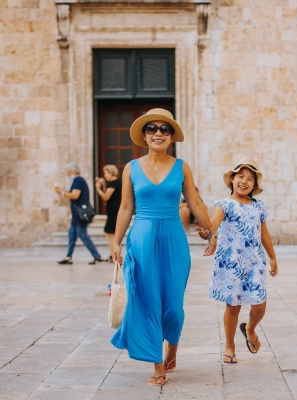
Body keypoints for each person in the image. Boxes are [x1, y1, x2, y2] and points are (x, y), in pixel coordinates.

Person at [110, 108, 217, 387]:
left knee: (173, 305)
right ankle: (157, 364)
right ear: (144, 136)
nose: (158, 133)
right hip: (142, 240)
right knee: (147, 301)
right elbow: (125, 208)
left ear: (171, 136)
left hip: (173, 240)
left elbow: (195, 203)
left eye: (164, 129)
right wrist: (115, 242)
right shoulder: (130, 168)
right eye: (152, 129)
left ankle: (173, 344)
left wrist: (212, 232)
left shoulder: (182, 167)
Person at [197, 158, 278, 364]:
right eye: (240, 176)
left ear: (254, 185)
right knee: (233, 306)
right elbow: (213, 224)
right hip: (231, 263)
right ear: (232, 179)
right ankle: (230, 345)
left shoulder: (258, 206)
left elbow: (265, 234)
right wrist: (207, 232)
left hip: (255, 263)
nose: (244, 181)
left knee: (260, 305)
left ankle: (250, 329)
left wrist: (273, 257)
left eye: (250, 179)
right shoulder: (225, 205)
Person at [54, 163, 104, 265]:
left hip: (79, 215)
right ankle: (68, 257)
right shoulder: (77, 181)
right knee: (72, 234)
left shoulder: (78, 180)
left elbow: (75, 195)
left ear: (73, 171)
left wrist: (61, 193)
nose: (67, 174)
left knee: (82, 235)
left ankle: (97, 256)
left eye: (68, 172)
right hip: (76, 214)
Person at [95, 165, 122, 262]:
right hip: (115, 210)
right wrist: (103, 185)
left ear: (110, 173)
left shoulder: (113, 184)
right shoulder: (117, 182)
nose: (105, 176)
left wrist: (98, 189)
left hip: (113, 211)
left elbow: (106, 197)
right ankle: (112, 254)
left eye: (106, 173)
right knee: (111, 232)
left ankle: (112, 254)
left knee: (109, 232)